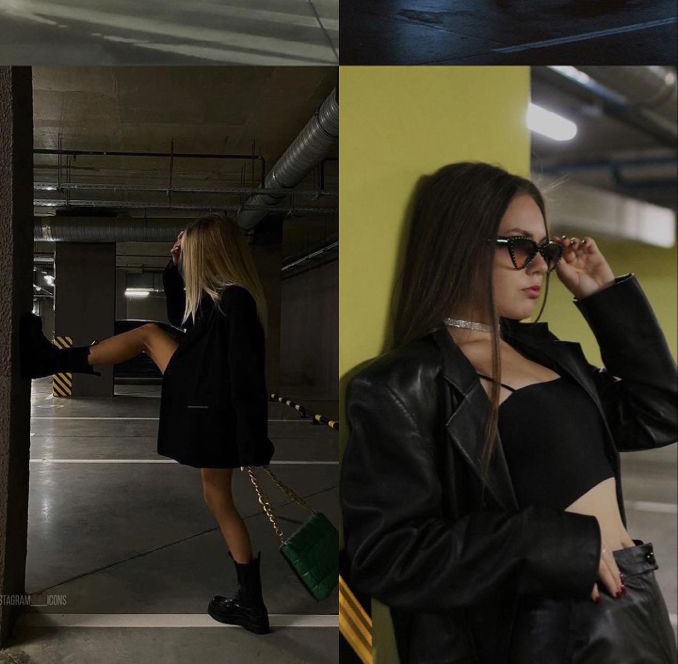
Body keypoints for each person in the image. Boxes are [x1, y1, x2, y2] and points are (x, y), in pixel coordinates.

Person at [340, 162, 677, 664]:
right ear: (461, 244)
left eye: (545, 249)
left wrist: (604, 296)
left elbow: (660, 411)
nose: (541, 266)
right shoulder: (402, 383)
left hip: (631, 604)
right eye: (520, 246)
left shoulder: (553, 356)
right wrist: (544, 542)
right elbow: (386, 556)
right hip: (540, 630)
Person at [20, 213, 274, 636]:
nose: (185, 259)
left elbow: (247, 375)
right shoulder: (221, 298)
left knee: (147, 334)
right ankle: (251, 603)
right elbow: (184, 318)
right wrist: (172, 268)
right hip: (209, 398)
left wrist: (252, 440)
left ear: (210, 254)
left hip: (208, 397)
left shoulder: (237, 300)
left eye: (189, 253)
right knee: (218, 500)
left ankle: (50, 360)